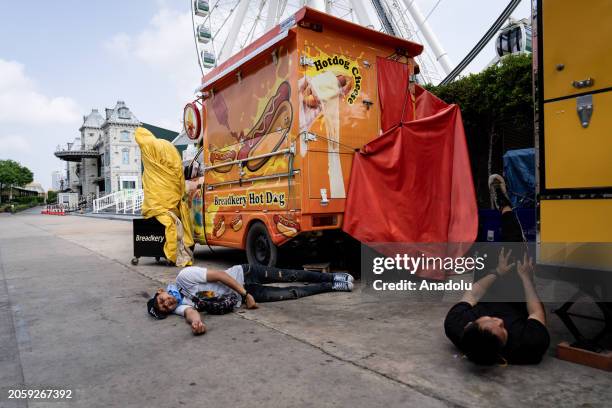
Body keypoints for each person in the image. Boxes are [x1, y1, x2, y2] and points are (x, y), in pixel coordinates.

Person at [444, 174, 550, 365]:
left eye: (491, 320)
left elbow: (473, 294)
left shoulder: (456, 325)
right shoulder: (529, 345)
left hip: (486, 290)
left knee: (486, 251)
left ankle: (493, 209)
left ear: (471, 325)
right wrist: (526, 277)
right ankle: (504, 202)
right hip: (517, 295)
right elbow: (535, 312)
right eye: (502, 329)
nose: (500, 321)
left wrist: (497, 272)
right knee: (513, 245)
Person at [147, 264, 354, 335]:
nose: (167, 304)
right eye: (164, 308)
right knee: (292, 293)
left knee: (291, 275)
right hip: (242, 297)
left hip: (244, 275)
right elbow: (190, 312)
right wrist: (197, 322)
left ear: (160, 291)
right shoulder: (178, 305)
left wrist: (246, 294)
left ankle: (332, 276)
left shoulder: (184, 277)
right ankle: (332, 286)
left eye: (162, 300)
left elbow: (220, 275)